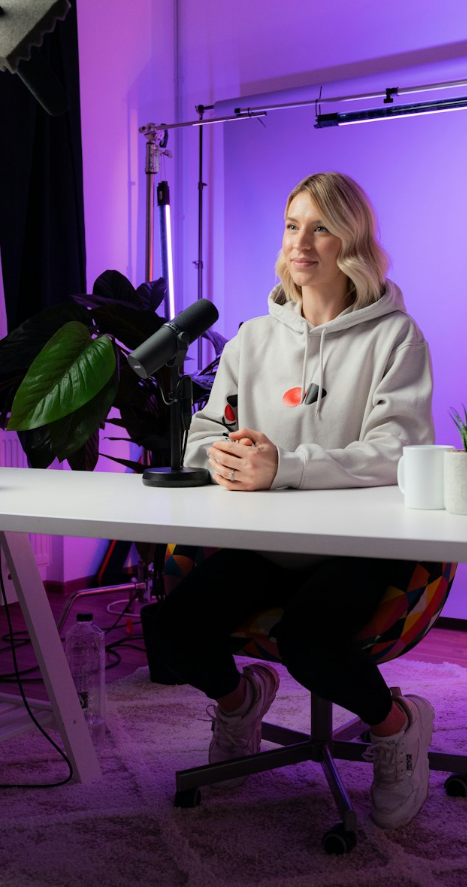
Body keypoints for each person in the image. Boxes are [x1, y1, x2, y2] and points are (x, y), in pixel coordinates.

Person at [151, 171, 437, 830]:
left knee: (311, 643)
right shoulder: (254, 338)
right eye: (291, 225)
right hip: (266, 545)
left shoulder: (396, 336)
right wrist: (218, 456)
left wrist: (286, 467)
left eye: (321, 226)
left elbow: (400, 449)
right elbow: (205, 432)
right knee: (171, 631)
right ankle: (238, 704)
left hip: (361, 547)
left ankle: (397, 726)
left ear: (351, 241)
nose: (301, 241)